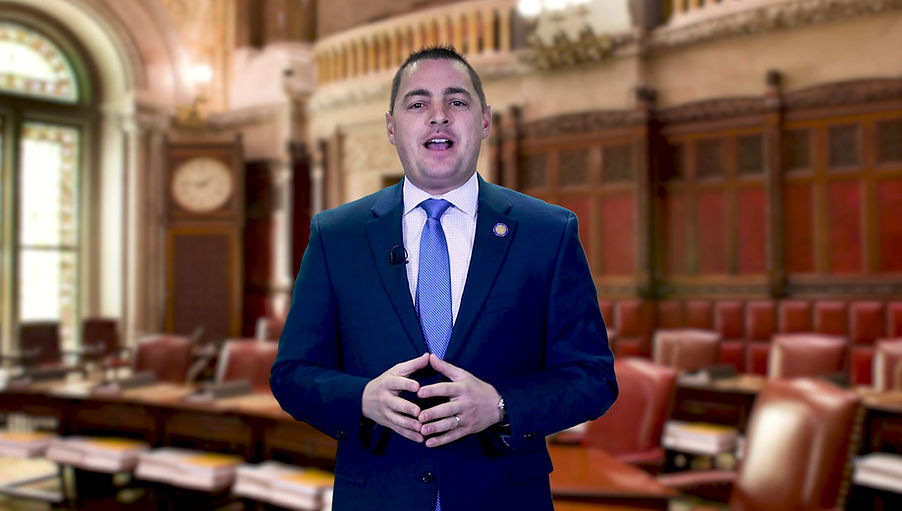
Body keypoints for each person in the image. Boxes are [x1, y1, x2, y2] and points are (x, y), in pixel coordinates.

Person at [271, 46, 617, 511]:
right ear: (391, 127)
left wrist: (500, 405)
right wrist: (363, 400)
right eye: (418, 104)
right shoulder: (337, 236)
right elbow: (292, 374)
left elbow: (593, 377)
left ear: (485, 120)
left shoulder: (547, 232)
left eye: (457, 101)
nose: (439, 116)